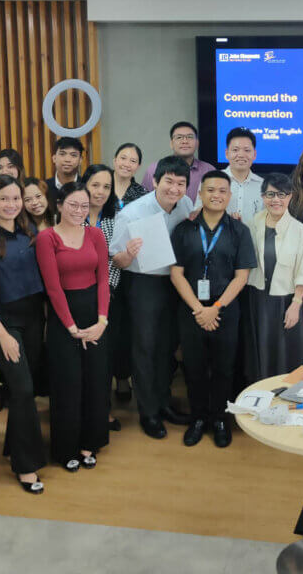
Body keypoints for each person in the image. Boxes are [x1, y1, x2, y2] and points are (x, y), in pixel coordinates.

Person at [0, 174, 47, 494]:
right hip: (4, 322)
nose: (11, 204)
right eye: (4, 199)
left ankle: (14, 446)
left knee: (23, 389)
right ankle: (26, 466)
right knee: (23, 388)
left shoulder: (31, 233)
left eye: (16, 198)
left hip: (34, 318)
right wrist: (2, 335)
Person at [109, 156, 195, 439]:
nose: (174, 188)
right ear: (155, 181)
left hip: (175, 283)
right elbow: (117, 261)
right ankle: (148, 412)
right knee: (145, 348)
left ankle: (163, 402)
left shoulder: (185, 204)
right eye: (168, 181)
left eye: (181, 183)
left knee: (168, 347)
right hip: (144, 283)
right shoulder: (132, 213)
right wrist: (129, 253)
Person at [171, 171, 256, 447]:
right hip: (191, 309)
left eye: (222, 190)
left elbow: (241, 276)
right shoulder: (184, 229)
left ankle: (220, 418)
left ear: (229, 196)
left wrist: (215, 308)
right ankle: (198, 418)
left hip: (225, 310)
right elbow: (176, 274)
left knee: (223, 368)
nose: (216, 195)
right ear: (201, 193)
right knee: (193, 368)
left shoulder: (239, 231)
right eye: (210, 190)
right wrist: (199, 309)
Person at [36, 184, 111, 471]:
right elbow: (53, 287)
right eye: (73, 205)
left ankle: (89, 442)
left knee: (95, 381)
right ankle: (66, 447)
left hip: (96, 315)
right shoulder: (47, 238)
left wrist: (102, 321)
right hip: (63, 318)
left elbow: (103, 279)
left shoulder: (95, 234)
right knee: (67, 384)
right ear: (58, 205)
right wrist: (71, 327)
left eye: (84, 206)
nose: (79, 211)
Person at [245, 173, 303, 380]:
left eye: (282, 194)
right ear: (263, 196)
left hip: (286, 301)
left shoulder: (299, 230)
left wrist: (296, 304)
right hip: (256, 298)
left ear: (290, 197)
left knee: (285, 353)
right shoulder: (252, 224)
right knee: (259, 351)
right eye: (271, 194)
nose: (276, 200)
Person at [79, 164, 130, 418]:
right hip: (78, 295)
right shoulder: (72, 215)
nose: (100, 192)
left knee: (106, 354)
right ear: (84, 185)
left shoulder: (117, 217)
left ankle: (104, 408)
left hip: (110, 294)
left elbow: (116, 260)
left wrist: (128, 256)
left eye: (106, 187)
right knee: (85, 355)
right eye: (95, 185)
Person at [141, 122, 215, 203]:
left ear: (197, 143)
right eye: (179, 137)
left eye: (190, 137)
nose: (185, 141)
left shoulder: (209, 170)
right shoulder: (154, 169)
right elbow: (144, 201)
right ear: (171, 143)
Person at [220, 127, 264, 223]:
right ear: (227, 154)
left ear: (254, 154)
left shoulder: (263, 186)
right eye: (235, 150)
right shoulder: (212, 180)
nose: (241, 155)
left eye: (247, 150)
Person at [46, 137, 84, 204]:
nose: (67, 159)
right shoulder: (44, 188)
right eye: (62, 154)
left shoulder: (86, 186)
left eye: (73, 155)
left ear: (80, 160)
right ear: (54, 158)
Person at [112, 142, 148, 209]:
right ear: (115, 160)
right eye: (123, 158)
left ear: (138, 166)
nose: (127, 164)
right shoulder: (99, 186)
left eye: (133, 161)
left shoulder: (143, 195)